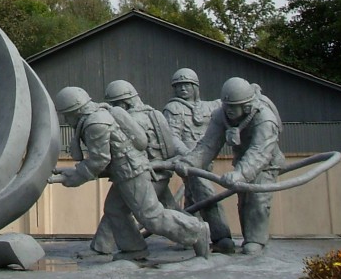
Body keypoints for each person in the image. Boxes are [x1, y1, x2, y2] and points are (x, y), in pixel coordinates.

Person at [52, 86, 210, 261]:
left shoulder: (95, 123)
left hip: (131, 173)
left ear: (75, 111)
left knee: (151, 216)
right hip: (124, 172)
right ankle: (133, 249)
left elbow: (99, 161)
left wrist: (74, 178)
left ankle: (196, 231)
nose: (66, 119)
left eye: (66, 115)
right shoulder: (97, 116)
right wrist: (70, 173)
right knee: (115, 209)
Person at [173, 76, 285, 256]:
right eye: (227, 106)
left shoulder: (265, 118)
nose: (229, 111)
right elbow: (208, 145)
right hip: (243, 161)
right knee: (243, 200)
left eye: (234, 107)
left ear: (246, 106)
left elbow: (259, 153)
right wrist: (189, 162)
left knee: (257, 199)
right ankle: (228, 238)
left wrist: (239, 174)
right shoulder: (221, 115)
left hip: (266, 162)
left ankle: (256, 240)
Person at [89, 79, 181, 256]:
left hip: (142, 174)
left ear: (124, 102)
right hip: (158, 173)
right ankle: (104, 246)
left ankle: (196, 232)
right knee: (169, 208)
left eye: (115, 104)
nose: (114, 108)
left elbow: (122, 151)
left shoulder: (129, 120)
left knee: (118, 208)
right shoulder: (154, 114)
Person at [163, 68, 235, 254]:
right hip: (188, 159)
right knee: (205, 192)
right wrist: (189, 157)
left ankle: (188, 235)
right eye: (178, 86)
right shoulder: (173, 109)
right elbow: (172, 137)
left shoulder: (210, 107)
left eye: (187, 85)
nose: (183, 89)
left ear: (195, 86)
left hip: (206, 157)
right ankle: (222, 237)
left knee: (193, 195)